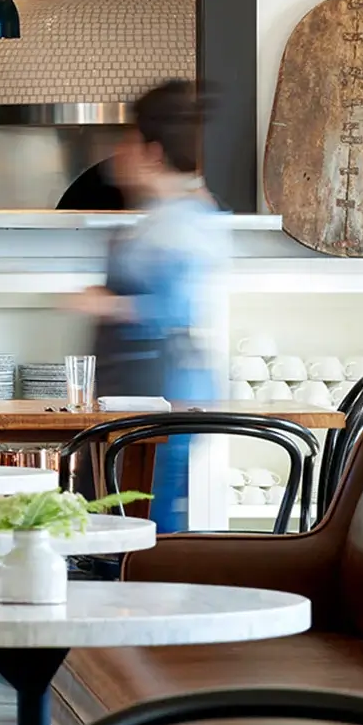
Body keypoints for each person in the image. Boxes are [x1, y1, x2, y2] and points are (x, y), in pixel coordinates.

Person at [66, 80, 226, 532]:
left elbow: (174, 307)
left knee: (142, 525)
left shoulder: (181, 221)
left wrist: (104, 305)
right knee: (125, 516)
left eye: (128, 140)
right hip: (144, 389)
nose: (119, 151)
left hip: (162, 392)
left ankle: (140, 596)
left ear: (152, 151)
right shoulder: (172, 212)